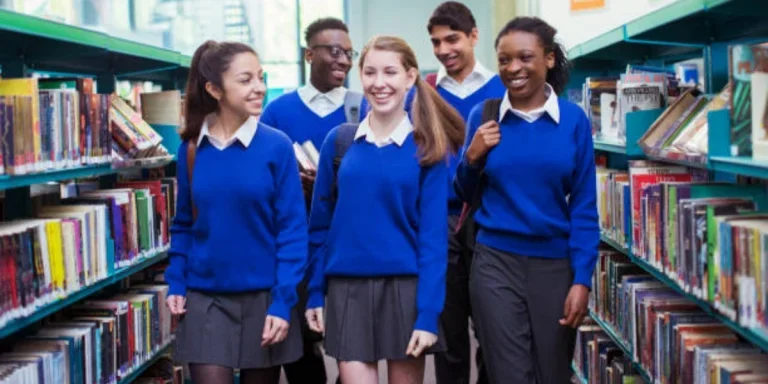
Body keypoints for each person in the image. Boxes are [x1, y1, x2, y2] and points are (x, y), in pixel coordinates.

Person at [305, 35, 465, 384]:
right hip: (347, 289)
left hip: (406, 292)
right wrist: (314, 292)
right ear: (359, 76)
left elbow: (434, 241)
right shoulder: (340, 142)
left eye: (390, 72)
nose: (379, 84)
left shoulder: (427, 150)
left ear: (409, 77)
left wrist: (427, 314)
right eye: (370, 73)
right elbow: (319, 227)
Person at [453, 17, 599, 384]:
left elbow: (584, 207)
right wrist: (471, 158)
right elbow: (462, 194)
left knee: (551, 373)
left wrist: (582, 279)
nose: (513, 68)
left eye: (524, 57)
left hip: (555, 267)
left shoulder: (573, 121)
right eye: (504, 60)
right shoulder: (483, 117)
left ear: (548, 59)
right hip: (494, 264)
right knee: (509, 375)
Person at [165, 40, 309, 384]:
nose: (259, 87)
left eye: (261, 77)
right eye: (246, 80)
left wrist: (283, 302)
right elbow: (184, 224)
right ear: (214, 88)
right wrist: (176, 283)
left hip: (265, 299)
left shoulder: (277, 146)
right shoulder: (190, 150)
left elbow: (292, 231)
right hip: (205, 299)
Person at [259, 17, 361, 383]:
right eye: (334, 51)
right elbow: (262, 175)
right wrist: (291, 185)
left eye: (349, 53)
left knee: (355, 336)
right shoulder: (277, 112)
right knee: (302, 337)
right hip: (297, 242)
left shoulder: (361, 108)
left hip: (351, 241)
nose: (343, 60)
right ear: (308, 54)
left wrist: (331, 185)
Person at [424, 3, 506, 383]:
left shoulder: (502, 90)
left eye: (452, 39)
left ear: (474, 36)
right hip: (440, 225)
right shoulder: (423, 92)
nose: (443, 49)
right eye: (436, 42)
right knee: (448, 338)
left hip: (489, 220)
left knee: (493, 335)